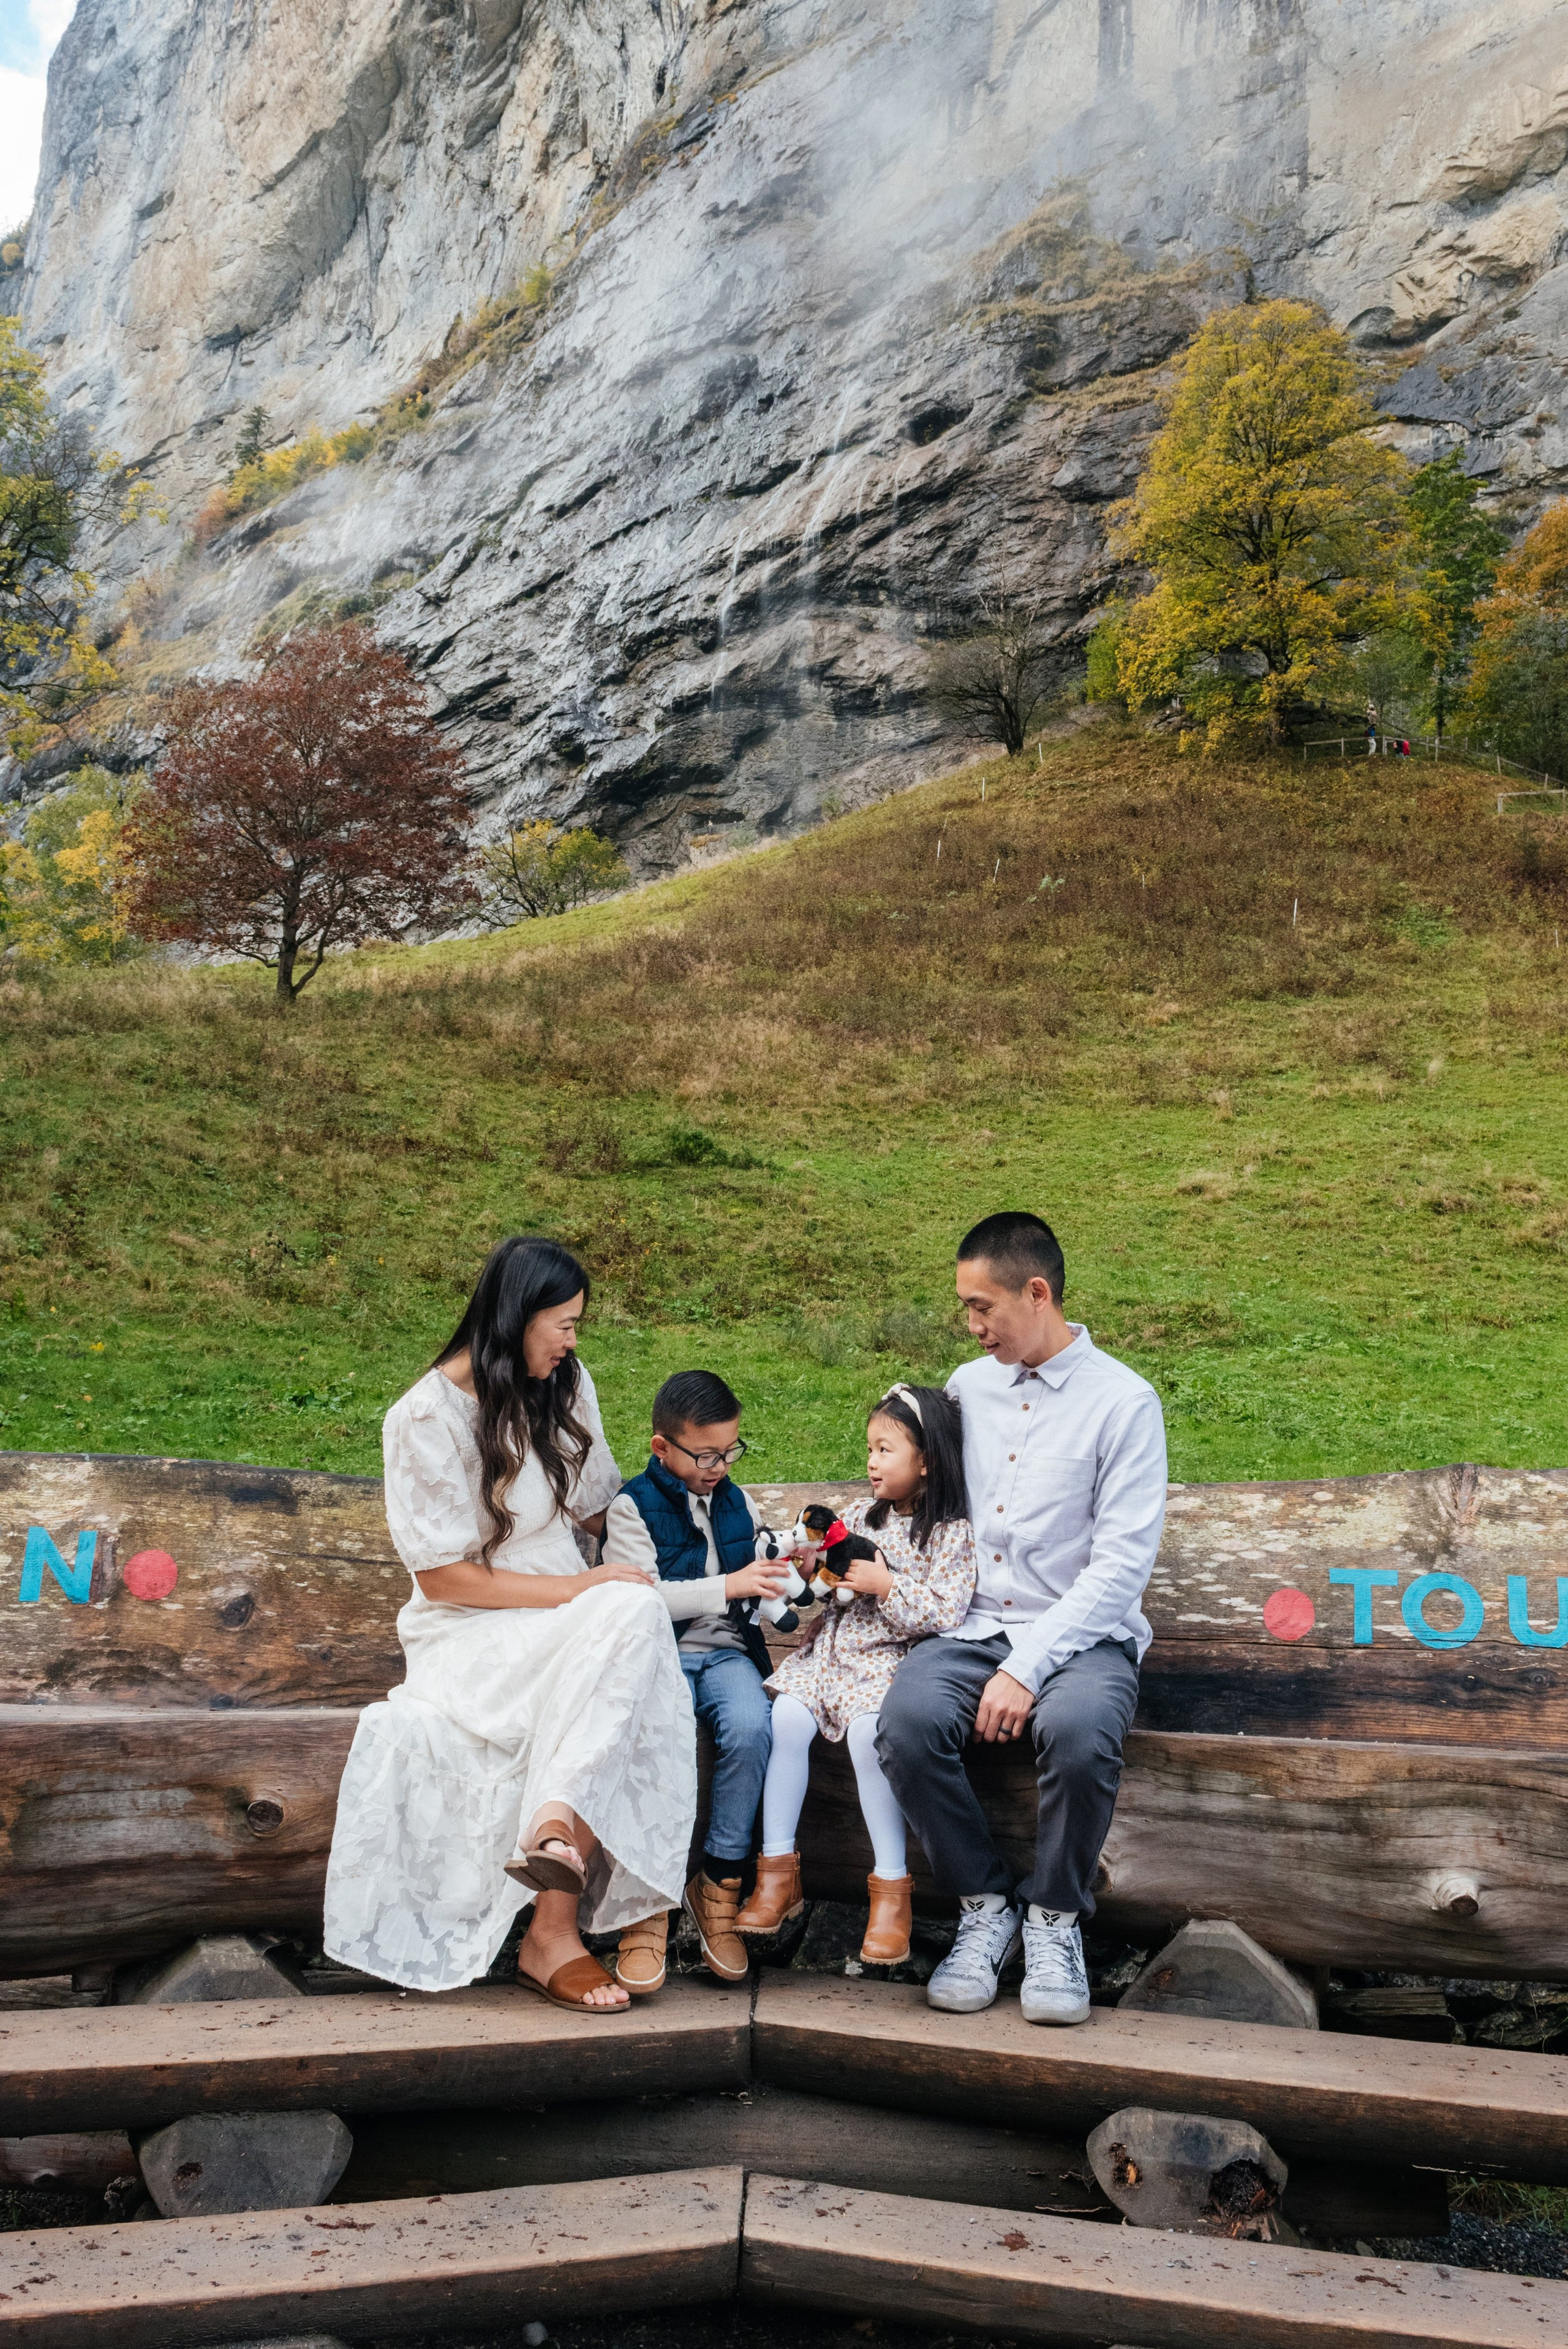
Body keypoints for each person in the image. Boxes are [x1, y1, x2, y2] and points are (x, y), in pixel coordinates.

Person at [323, 1236, 695, 2013]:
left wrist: (705, 1539)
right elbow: (444, 1577)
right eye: (562, 1323)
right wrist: (578, 1591)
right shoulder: (424, 1416)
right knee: (618, 1618)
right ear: (516, 1316)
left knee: (629, 1614)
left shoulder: (563, 1383)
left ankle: (552, 1848)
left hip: (574, 1615)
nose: (571, 1341)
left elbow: (598, 1507)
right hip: (471, 1631)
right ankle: (552, 1926)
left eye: (576, 1326)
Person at [877, 1211, 1167, 2028]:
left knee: (1077, 1733)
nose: (971, 1324)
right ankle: (984, 1905)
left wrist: (1026, 1667)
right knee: (903, 1719)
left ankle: (1055, 1918)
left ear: (1036, 1293)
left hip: (1081, 1634)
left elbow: (1119, 1569)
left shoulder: (1124, 1403)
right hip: (971, 1625)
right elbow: (923, 1501)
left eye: (982, 1306)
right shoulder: (970, 1387)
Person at [737, 1384, 976, 1968]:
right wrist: (808, 1566)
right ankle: (777, 1874)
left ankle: (891, 1893)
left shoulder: (949, 1532)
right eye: (870, 1448)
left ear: (927, 1461)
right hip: (831, 1656)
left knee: (873, 1735)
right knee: (786, 1718)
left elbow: (949, 1610)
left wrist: (886, 1586)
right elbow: (822, 1583)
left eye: (885, 1449)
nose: (871, 1461)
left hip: (890, 1662)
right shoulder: (857, 1516)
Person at [603, 1370, 786, 1986]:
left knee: (752, 1727)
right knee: (661, 1737)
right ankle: (645, 1903)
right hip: (661, 1658)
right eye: (706, 1454)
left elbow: (758, 1582)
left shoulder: (738, 1501)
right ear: (663, 1448)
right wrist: (725, 1586)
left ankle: (718, 1888)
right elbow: (636, 1600)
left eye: (730, 1450)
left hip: (729, 1652)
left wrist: (786, 1574)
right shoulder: (631, 1508)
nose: (720, 1465)